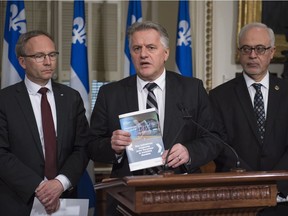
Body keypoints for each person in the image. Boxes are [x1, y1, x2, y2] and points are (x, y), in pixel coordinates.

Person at [88, 21, 222, 214]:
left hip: (181, 196)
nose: (143, 54)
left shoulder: (192, 89)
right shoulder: (110, 94)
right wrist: (113, 147)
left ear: (165, 53)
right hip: (127, 198)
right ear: (131, 54)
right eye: (136, 48)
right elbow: (91, 144)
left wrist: (189, 152)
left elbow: (215, 138)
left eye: (151, 47)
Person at [0, 30, 90, 215]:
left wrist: (59, 183)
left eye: (52, 55)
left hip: (65, 200)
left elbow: (82, 147)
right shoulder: (5, 100)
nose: (48, 62)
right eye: (39, 56)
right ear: (22, 61)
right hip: (19, 202)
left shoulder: (72, 98)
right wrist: (40, 187)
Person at [209, 22, 288, 215]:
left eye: (260, 49)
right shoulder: (219, 96)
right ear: (239, 52)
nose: (253, 55)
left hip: (283, 196)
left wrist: (276, 183)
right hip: (237, 197)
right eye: (246, 49)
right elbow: (219, 145)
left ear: (272, 52)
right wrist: (251, 183)